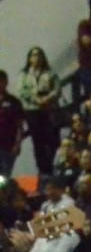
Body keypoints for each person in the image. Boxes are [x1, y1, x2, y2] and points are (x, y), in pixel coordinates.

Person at [16, 48, 62, 176]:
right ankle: (43, 170)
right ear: (29, 58)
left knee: (53, 139)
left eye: (39, 55)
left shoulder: (50, 72)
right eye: (34, 55)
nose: (37, 58)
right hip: (32, 111)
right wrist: (35, 99)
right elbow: (21, 91)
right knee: (38, 142)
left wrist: (47, 98)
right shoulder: (24, 74)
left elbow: (57, 89)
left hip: (49, 109)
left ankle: (55, 166)